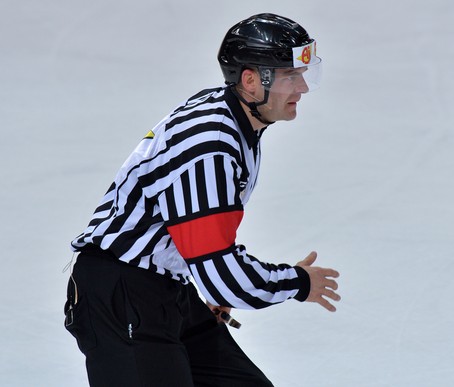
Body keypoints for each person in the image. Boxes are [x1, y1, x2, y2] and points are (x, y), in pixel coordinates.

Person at [64, 13, 340, 387]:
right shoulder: (210, 147)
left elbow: (204, 250)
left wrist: (209, 278)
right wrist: (297, 282)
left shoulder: (235, 118)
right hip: (120, 297)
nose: (303, 88)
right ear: (251, 80)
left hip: (161, 289)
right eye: (291, 76)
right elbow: (225, 277)